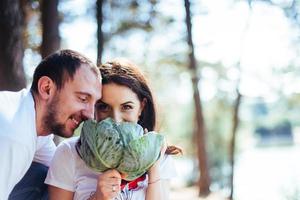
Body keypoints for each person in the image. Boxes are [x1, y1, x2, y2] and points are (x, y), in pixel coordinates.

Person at [45, 59, 182, 200]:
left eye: (126, 107)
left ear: (141, 107)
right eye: (104, 107)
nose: (116, 119)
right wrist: (97, 197)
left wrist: (153, 170)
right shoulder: (68, 153)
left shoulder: (161, 157)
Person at [0, 49, 102, 200]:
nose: (90, 115)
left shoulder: (32, 123)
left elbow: (61, 169)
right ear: (46, 88)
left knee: (52, 177)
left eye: (96, 104)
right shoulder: (14, 135)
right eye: (83, 98)